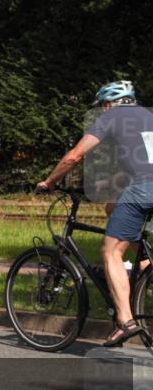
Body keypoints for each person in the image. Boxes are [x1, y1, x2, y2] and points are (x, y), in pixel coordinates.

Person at [36, 80, 153, 346]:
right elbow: (143, 166)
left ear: (109, 103)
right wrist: (105, 185)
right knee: (112, 207)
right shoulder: (147, 117)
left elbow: (74, 156)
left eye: (102, 106)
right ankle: (146, 264)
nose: (102, 111)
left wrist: (50, 182)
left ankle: (125, 321)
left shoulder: (112, 116)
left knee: (110, 251)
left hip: (143, 191)